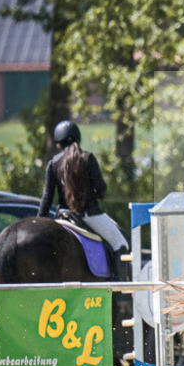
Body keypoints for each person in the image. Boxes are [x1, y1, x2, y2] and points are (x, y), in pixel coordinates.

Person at [38, 120, 130, 280]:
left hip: (62, 215)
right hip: (89, 214)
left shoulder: (53, 163)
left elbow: (47, 198)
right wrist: (100, 193)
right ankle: (122, 294)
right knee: (120, 243)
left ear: (59, 143)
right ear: (78, 139)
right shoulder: (88, 158)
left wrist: (39, 222)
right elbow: (100, 187)